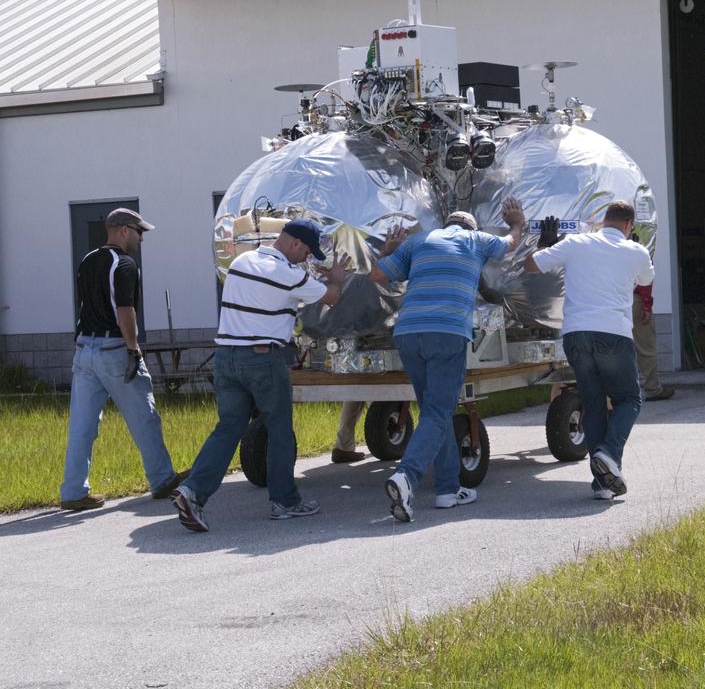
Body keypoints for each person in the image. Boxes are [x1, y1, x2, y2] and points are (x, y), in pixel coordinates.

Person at [171, 219, 347, 532]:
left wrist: (306, 275)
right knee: (279, 429)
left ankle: (193, 491)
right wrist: (336, 277)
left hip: (226, 357)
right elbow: (332, 298)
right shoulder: (287, 274)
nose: (306, 258)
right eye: (306, 251)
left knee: (227, 428)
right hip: (263, 360)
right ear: (294, 243)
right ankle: (285, 502)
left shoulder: (242, 261)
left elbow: (273, 289)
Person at [375, 200, 526, 523]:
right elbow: (510, 245)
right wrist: (516, 222)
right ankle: (407, 477)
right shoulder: (475, 240)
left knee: (433, 411)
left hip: (408, 332)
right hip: (446, 332)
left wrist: (389, 250)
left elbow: (378, 273)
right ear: (470, 227)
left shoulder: (418, 241)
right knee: (439, 411)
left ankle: (447, 489)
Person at [525, 201, 655, 500]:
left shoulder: (576, 243)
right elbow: (646, 282)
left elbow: (531, 265)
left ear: (603, 221)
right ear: (628, 226)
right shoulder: (635, 250)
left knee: (593, 403)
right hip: (612, 334)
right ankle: (608, 454)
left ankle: (602, 484)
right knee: (629, 400)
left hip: (576, 334)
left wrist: (546, 244)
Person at [60, 208, 186, 511]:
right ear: (123, 230)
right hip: (115, 351)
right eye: (139, 231)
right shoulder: (125, 264)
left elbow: (84, 305)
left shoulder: (87, 260)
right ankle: (162, 479)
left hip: (84, 351)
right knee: (144, 417)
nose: (142, 238)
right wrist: (133, 349)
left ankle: (73, 491)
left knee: (82, 425)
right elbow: (125, 310)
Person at [631, 232, 673, 402]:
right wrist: (647, 305)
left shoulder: (603, 248)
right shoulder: (640, 250)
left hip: (611, 301)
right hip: (635, 300)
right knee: (645, 346)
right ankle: (652, 388)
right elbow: (646, 280)